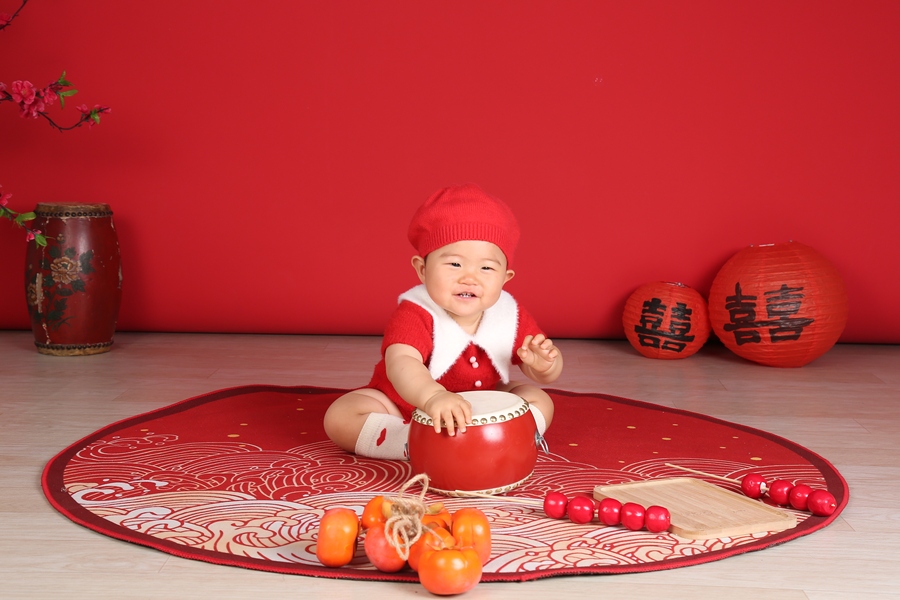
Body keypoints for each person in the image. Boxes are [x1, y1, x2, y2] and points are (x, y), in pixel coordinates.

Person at [323, 183, 562, 459]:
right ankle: (411, 441)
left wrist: (544, 366)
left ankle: (494, 438)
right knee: (341, 415)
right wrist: (432, 397)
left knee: (539, 400)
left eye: (486, 268)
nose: (469, 278)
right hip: (405, 407)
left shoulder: (509, 314)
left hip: (479, 406)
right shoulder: (415, 312)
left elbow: (543, 370)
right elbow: (402, 362)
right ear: (422, 269)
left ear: (505, 278)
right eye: (455, 264)